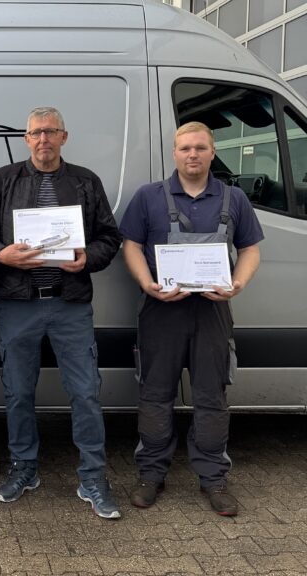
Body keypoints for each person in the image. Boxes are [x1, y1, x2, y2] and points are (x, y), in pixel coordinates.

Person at [0, 107, 122, 519]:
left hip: (70, 303)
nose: (43, 139)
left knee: (86, 392)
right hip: (17, 303)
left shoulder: (85, 181)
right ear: (26, 139)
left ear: (63, 137)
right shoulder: (4, 180)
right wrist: (0, 254)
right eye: (36, 133)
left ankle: (93, 477)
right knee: (18, 391)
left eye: (51, 131)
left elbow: (110, 237)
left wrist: (88, 257)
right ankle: (24, 467)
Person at [119, 121, 264, 517]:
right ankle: (151, 475)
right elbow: (130, 245)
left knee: (211, 397)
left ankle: (214, 478)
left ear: (213, 152)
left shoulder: (234, 198)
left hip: (212, 311)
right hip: (161, 312)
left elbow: (250, 249)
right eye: (185, 148)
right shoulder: (148, 197)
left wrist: (237, 283)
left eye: (200, 147)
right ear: (174, 153)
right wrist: (147, 284)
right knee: (154, 395)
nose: (193, 154)